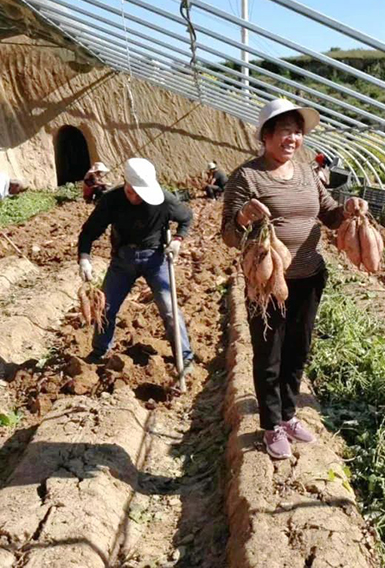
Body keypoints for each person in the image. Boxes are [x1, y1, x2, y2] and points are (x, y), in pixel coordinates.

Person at [221, 99, 368, 460]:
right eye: (285, 130)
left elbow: (330, 215)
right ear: (266, 135)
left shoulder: (306, 173)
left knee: (297, 350)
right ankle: (271, 425)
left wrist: (348, 208)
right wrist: (242, 218)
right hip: (267, 282)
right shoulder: (247, 176)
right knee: (269, 354)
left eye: (298, 132)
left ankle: (288, 415)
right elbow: (226, 233)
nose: (293, 138)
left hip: (309, 276)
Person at [77, 158, 194, 372]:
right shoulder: (111, 200)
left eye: (141, 193)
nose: (136, 197)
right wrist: (84, 258)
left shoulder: (164, 200)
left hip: (155, 259)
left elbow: (186, 218)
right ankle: (100, 350)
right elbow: (89, 231)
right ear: (125, 183)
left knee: (169, 308)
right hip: (123, 259)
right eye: (132, 192)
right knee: (106, 307)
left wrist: (178, 240)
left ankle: (184, 357)